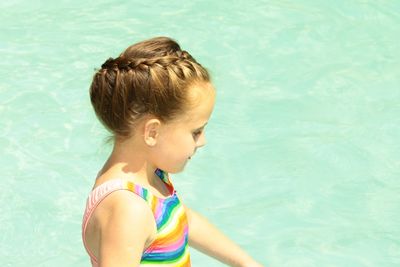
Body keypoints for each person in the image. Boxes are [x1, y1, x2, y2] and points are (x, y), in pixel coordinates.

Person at [81, 36, 263, 267]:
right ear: (153, 132)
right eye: (196, 131)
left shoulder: (151, 176)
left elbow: (179, 219)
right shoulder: (128, 210)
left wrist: (244, 262)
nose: (202, 141)